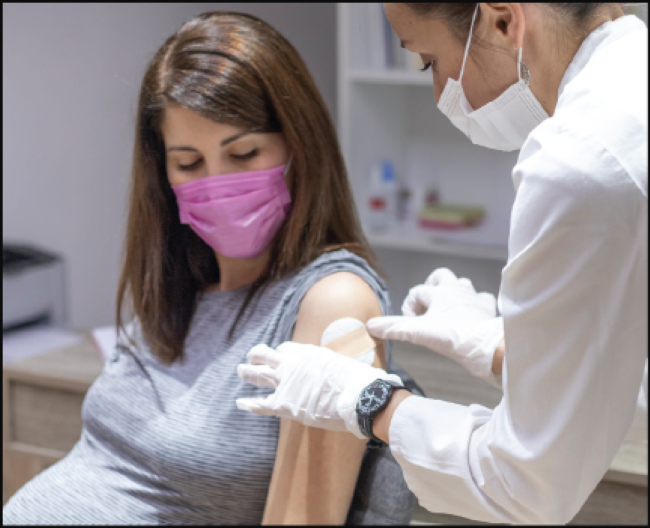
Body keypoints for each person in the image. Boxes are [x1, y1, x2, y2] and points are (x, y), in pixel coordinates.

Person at [237, 3, 648, 524]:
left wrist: (370, 402)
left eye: (428, 61)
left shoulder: (577, 161)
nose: (438, 94)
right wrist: (499, 347)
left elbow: (525, 486)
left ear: (504, 20)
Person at [2, 11, 419, 525]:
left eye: (243, 153)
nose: (217, 184)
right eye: (189, 164)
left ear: (299, 146)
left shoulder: (332, 301)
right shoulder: (183, 292)